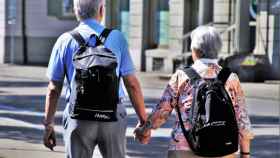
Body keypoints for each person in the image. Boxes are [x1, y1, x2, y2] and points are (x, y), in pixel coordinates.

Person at [43, 0, 148, 158]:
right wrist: (143, 121)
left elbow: (53, 89)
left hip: (78, 117)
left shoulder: (64, 41)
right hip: (112, 116)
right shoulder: (117, 38)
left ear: (76, 11)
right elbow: (132, 84)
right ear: (101, 10)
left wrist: (48, 124)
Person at [134, 26, 254, 158]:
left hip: (184, 148)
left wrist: (144, 130)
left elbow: (162, 112)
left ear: (196, 50)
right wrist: (245, 154)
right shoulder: (231, 78)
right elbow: (242, 121)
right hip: (224, 149)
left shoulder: (182, 76)